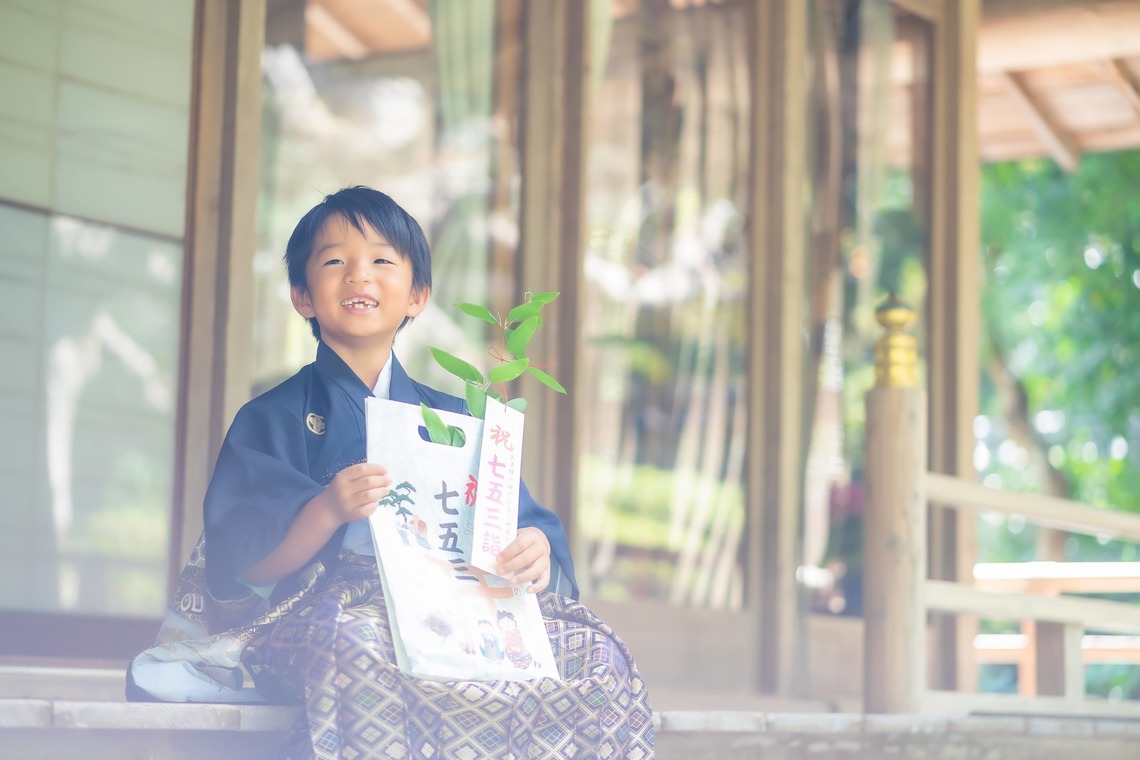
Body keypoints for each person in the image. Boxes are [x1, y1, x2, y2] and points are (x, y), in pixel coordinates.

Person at [127, 186, 654, 759]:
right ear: (302, 296)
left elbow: (521, 528)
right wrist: (326, 510)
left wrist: (535, 551)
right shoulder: (271, 417)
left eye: (382, 260)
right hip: (323, 616)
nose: (359, 275)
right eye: (335, 261)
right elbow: (244, 563)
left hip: (456, 614)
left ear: (417, 295)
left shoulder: (456, 419)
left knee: (596, 656)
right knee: (362, 642)